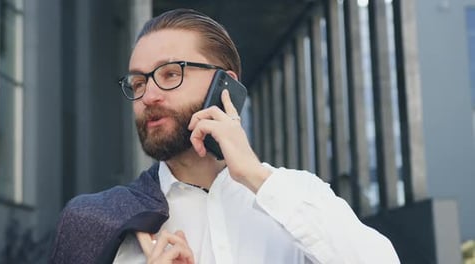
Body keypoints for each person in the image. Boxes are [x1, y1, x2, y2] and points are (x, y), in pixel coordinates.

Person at [52, 8, 400, 264]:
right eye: (139, 83)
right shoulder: (99, 220)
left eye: (171, 74)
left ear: (226, 86)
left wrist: (254, 175)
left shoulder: (298, 197)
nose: (149, 96)